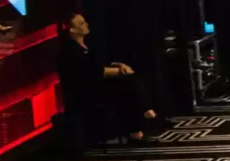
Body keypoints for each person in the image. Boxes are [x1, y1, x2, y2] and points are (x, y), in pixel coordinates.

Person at [58, 12, 160, 144]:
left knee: (132, 81)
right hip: (87, 92)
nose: (86, 25)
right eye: (81, 23)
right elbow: (93, 72)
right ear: (72, 30)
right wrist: (118, 71)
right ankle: (145, 118)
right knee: (128, 84)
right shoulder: (71, 50)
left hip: (99, 85)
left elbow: (99, 63)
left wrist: (117, 65)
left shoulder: (88, 46)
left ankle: (142, 123)